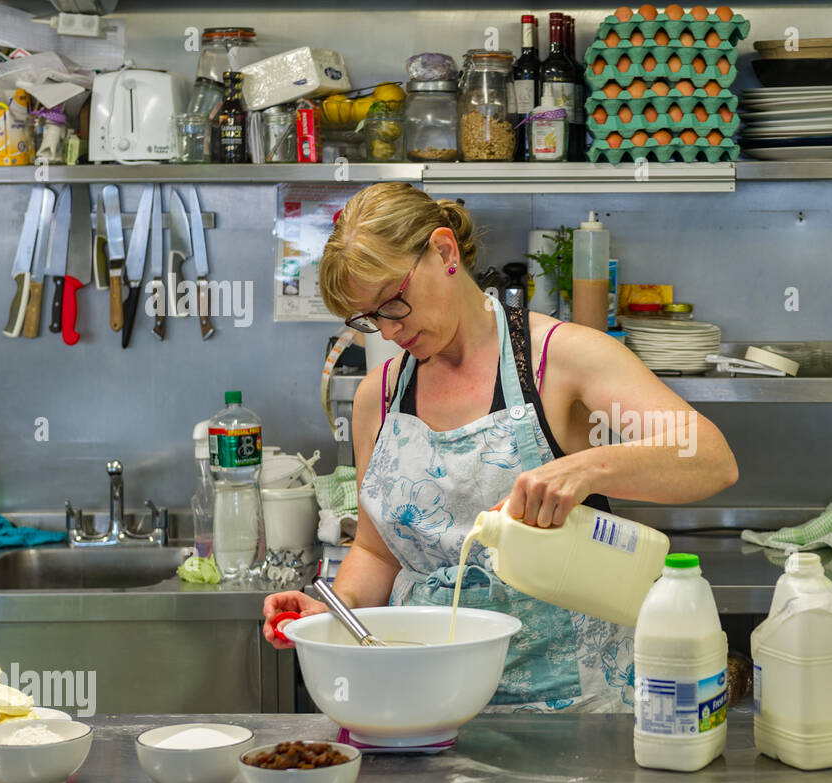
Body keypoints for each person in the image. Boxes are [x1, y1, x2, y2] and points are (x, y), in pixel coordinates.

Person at [262, 183, 738, 712]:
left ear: (444, 252)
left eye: (394, 303)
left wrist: (588, 468)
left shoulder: (561, 359)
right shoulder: (381, 395)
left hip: (568, 709)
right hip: (428, 700)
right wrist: (337, 610)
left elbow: (710, 459)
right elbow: (377, 553)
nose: (390, 330)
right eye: (370, 319)